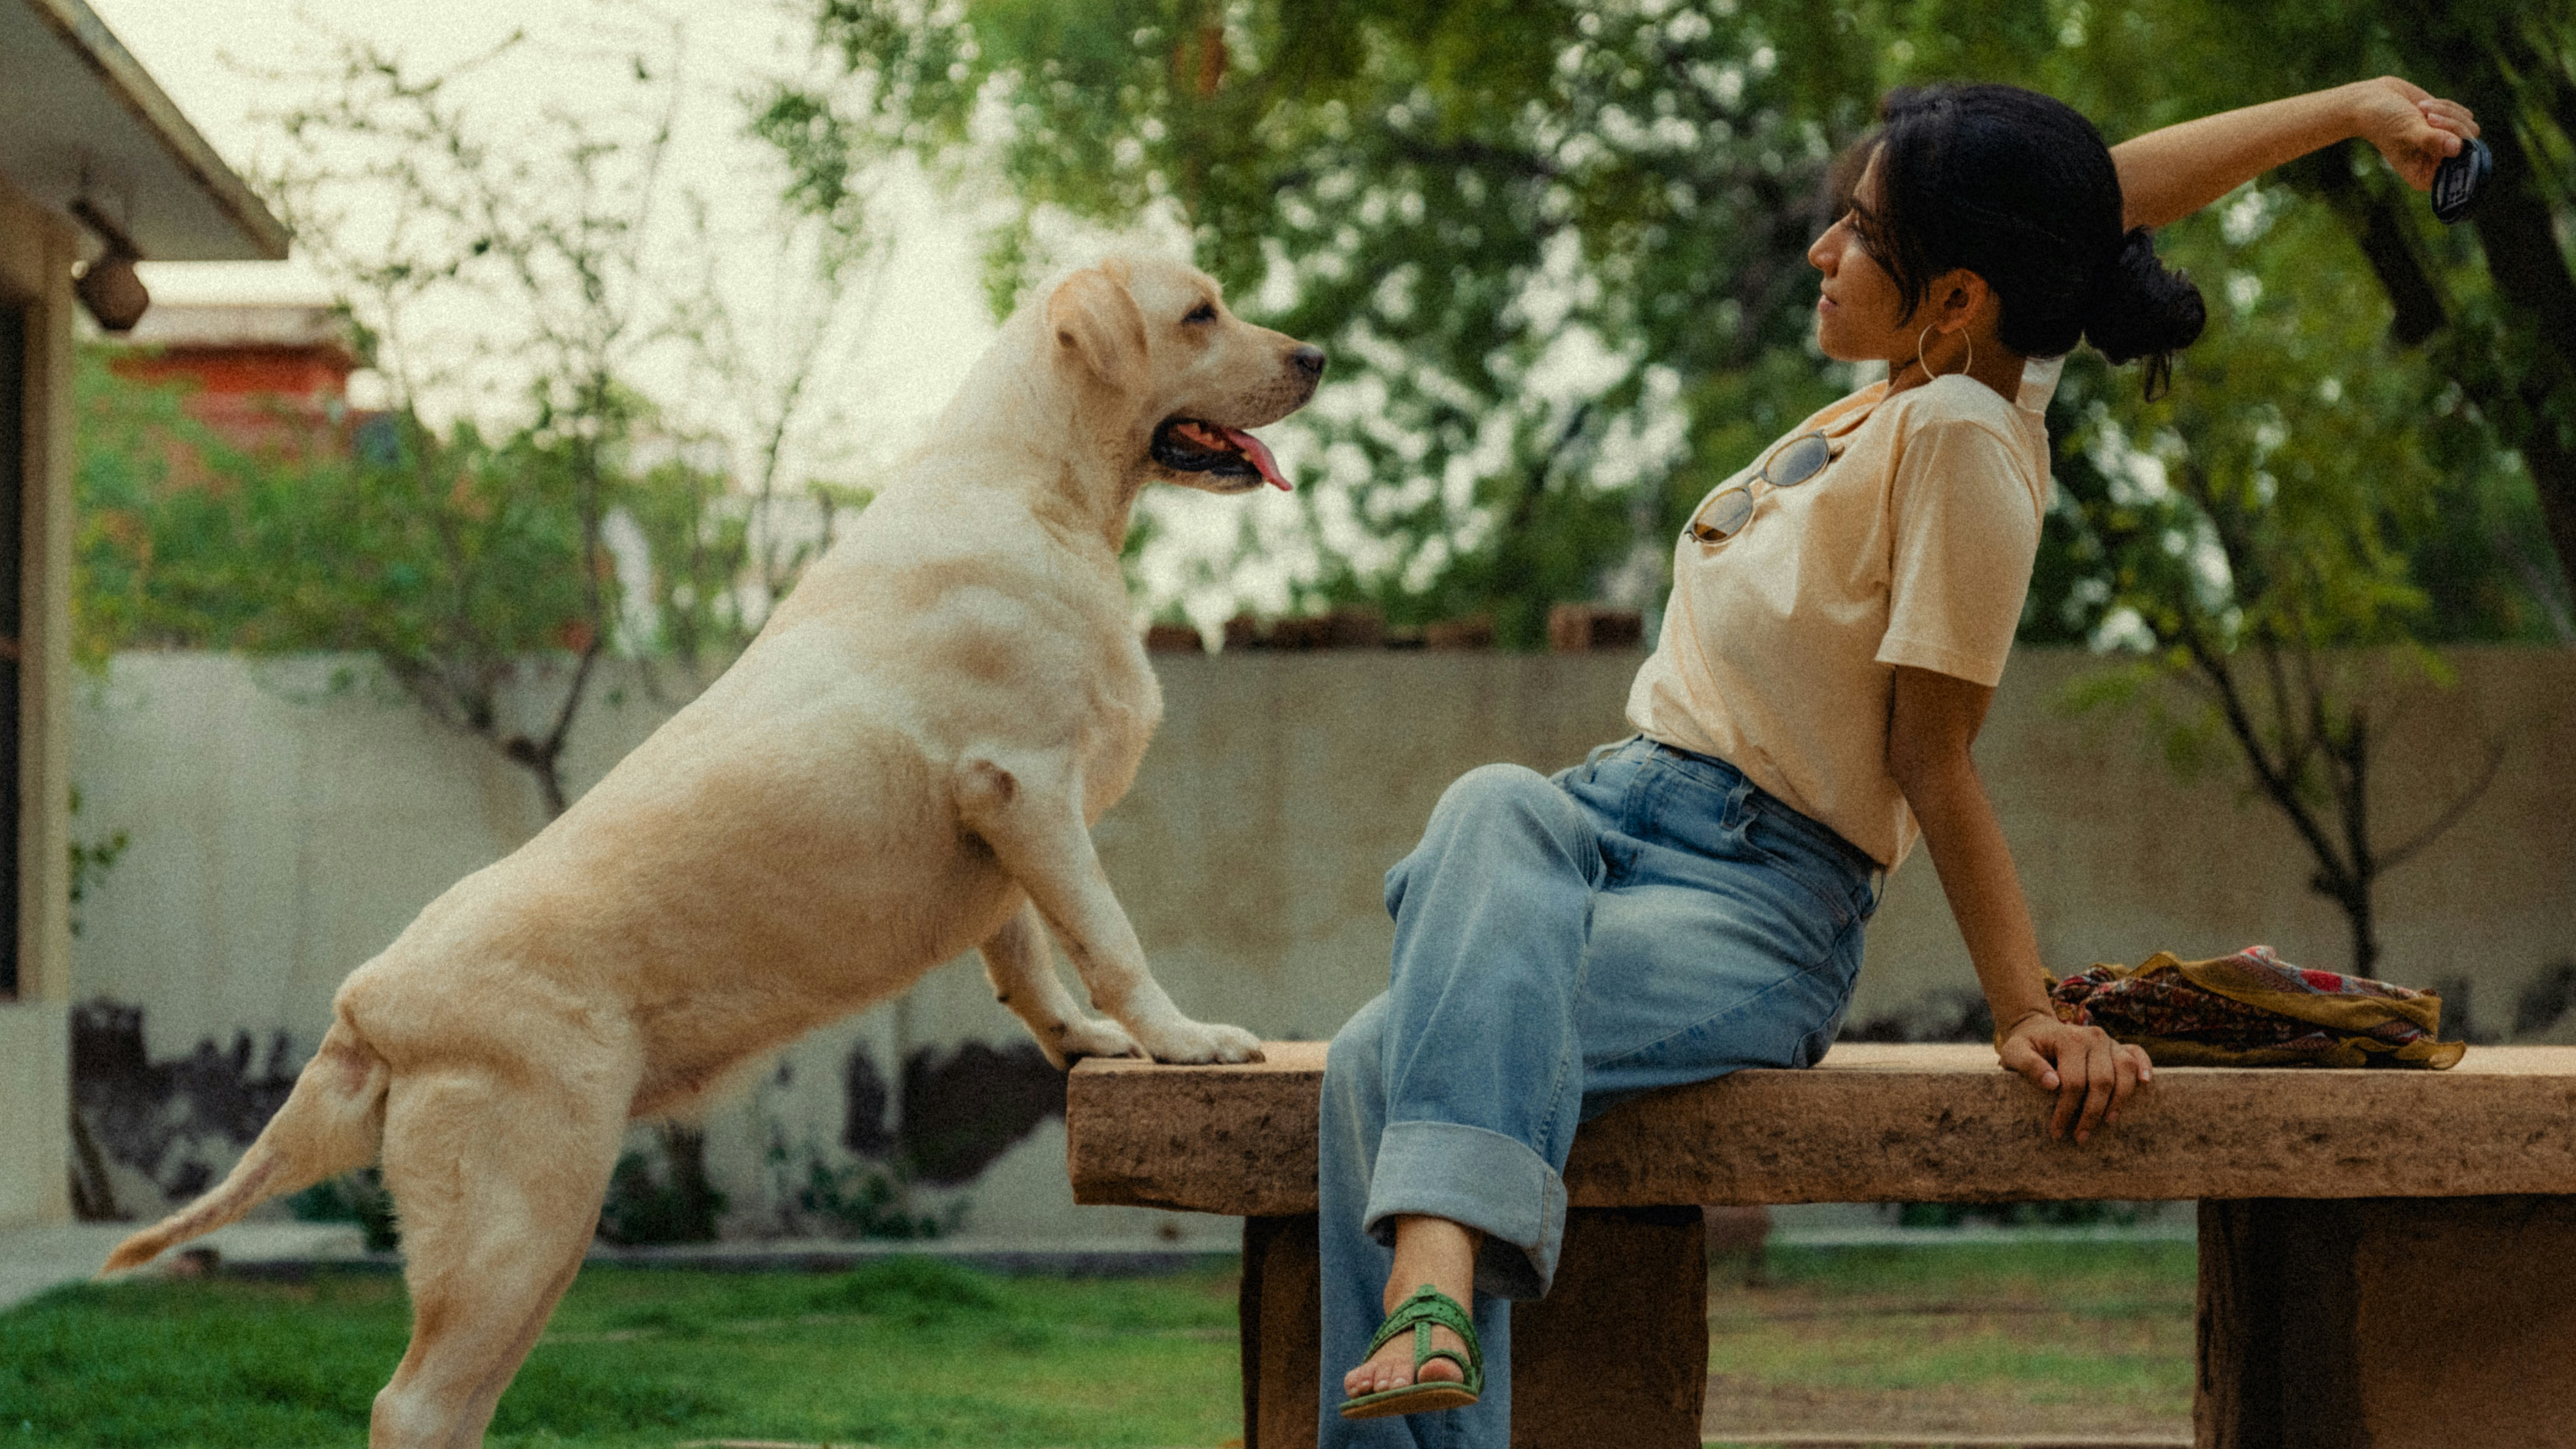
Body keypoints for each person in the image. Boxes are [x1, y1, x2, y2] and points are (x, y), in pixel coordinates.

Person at [1321, 76, 2482, 1442]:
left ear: (1956, 301)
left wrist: (2025, 1010)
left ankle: (1432, 1288)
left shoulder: (1962, 438)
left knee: (1377, 1065)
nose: (1821, 250)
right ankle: (1438, 1279)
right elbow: (2091, 195)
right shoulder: (1921, 381)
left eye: (1860, 232)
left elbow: (1935, 759)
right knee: (1493, 801)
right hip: (1597, 824)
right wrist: (2349, 111)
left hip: (1747, 901)